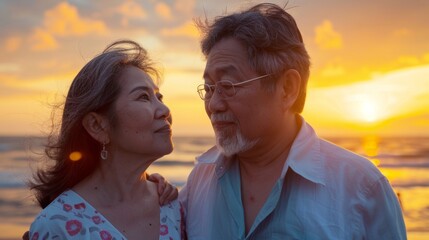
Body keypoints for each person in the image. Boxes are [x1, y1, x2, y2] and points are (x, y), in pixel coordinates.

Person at [179, 3, 406, 239]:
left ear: (287, 88)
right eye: (208, 88)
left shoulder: (363, 188)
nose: (214, 104)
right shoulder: (199, 181)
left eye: (228, 86)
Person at [28, 40, 185, 239]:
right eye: (143, 97)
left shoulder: (172, 206)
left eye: (159, 98)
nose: (165, 110)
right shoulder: (58, 225)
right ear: (97, 126)